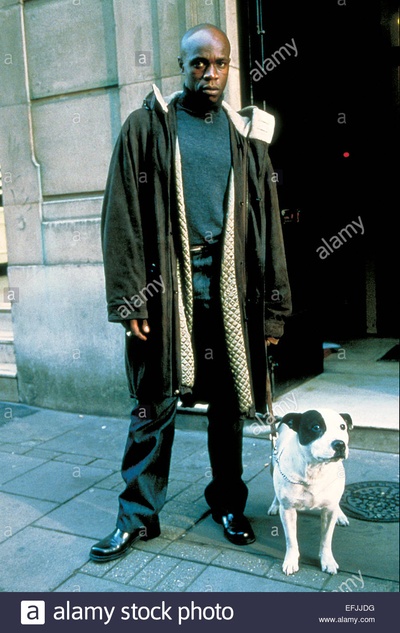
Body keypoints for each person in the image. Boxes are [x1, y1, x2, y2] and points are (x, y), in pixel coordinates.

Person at [90, 23, 292, 563]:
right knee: (152, 405)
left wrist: (274, 312)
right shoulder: (147, 128)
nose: (210, 73)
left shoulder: (245, 138)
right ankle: (137, 516)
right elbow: (121, 216)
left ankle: (227, 503)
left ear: (230, 68)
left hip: (231, 293)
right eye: (198, 62)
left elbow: (268, 229)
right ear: (182, 66)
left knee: (228, 407)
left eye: (219, 63)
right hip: (165, 292)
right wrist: (131, 298)